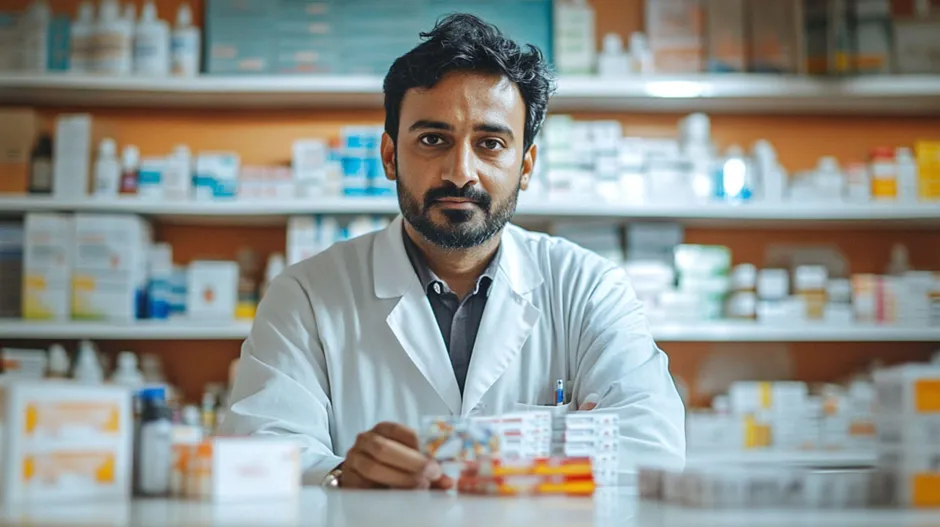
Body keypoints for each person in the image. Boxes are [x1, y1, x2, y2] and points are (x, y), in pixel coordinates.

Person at [219, 13, 685, 490]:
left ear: (525, 165)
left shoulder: (587, 288)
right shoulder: (306, 295)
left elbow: (654, 448)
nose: (460, 172)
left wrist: (491, 455)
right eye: (433, 139)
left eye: (490, 143)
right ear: (389, 156)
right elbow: (259, 456)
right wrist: (338, 474)